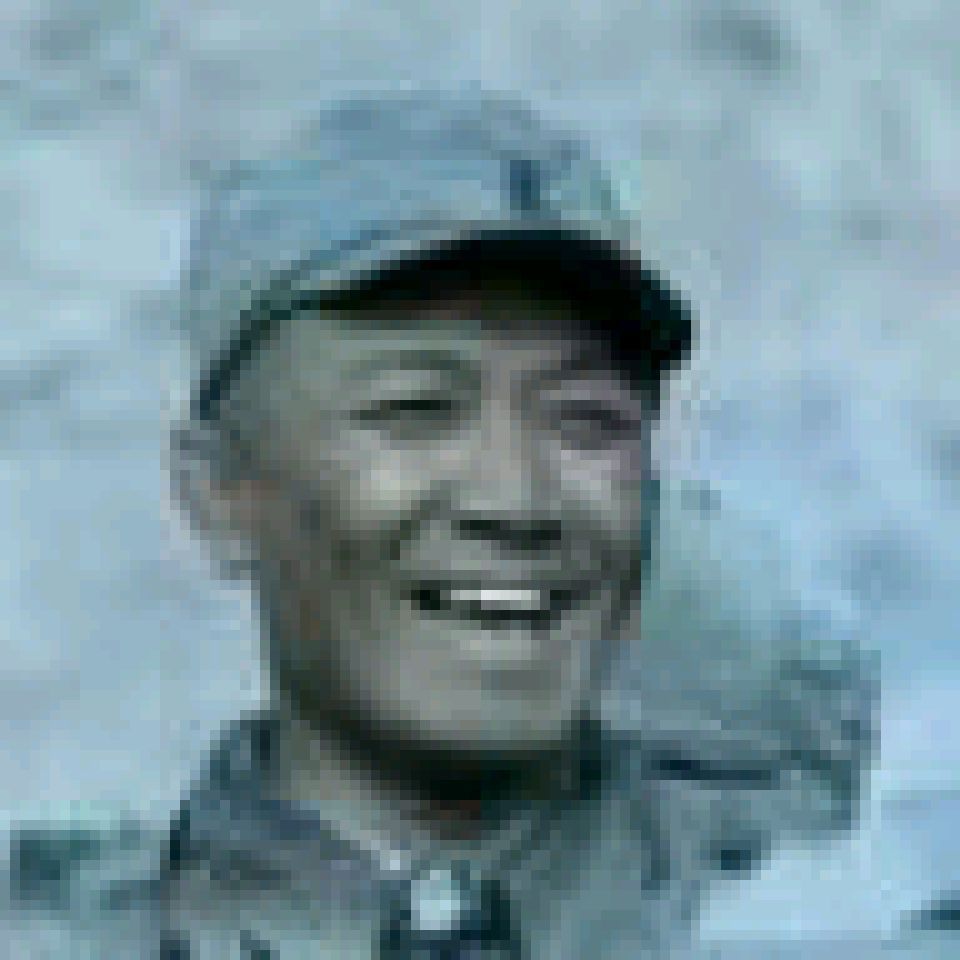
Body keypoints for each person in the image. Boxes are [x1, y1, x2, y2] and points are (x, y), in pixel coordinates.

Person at [4, 94, 873, 958]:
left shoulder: (848, 912)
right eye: (416, 409)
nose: (516, 498)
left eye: (586, 419)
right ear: (219, 491)